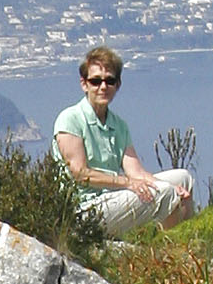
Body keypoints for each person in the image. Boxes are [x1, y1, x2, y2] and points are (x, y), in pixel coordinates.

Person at [53, 48, 196, 233]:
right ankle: (171, 249)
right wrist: (127, 183)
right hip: (84, 208)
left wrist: (171, 186)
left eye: (109, 81)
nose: (103, 87)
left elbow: (136, 172)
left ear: (117, 84)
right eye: (96, 81)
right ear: (84, 84)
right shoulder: (70, 119)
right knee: (166, 194)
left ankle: (182, 242)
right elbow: (79, 173)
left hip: (112, 197)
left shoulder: (118, 125)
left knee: (182, 179)